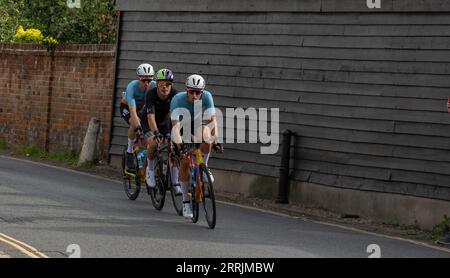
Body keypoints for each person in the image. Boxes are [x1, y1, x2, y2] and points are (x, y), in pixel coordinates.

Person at [170, 74, 222, 219]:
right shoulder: (177, 99)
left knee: (208, 135)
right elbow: (175, 126)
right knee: (185, 161)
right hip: (180, 126)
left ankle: (204, 167)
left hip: (196, 125)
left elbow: (213, 121)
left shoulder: (207, 97)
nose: (194, 95)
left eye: (197, 92)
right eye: (191, 91)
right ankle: (186, 201)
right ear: (186, 90)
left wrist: (216, 140)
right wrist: (180, 145)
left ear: (202, 92)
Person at [143, 68, 181, 195]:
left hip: (165, 121)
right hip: (149, 121)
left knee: (173, 147)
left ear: (172, 85)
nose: (165, 87)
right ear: (157, 84)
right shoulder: (151, 94)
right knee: (154, 143)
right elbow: (150, 117)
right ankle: (150, 170)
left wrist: (173, 133)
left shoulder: (175, 95)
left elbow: (173, 117)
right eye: (161, 84)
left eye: (168, 84)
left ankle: (175, 182)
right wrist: (156, 133)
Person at [120, 63, 156, 171]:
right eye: (143, 80)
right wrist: (139, 127)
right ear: (138, 78)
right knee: (135, 124)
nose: (146, 83)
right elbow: (132, 111)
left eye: (149, 80)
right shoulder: (132, 86)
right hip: (127, 107)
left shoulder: (154, 86)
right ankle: (130, 152)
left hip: (143, 109)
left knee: (149, 136)